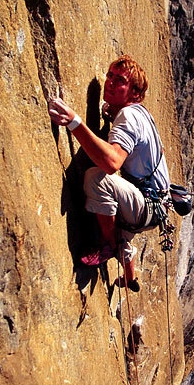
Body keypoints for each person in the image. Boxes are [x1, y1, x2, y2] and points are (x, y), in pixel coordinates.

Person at [48, 55, 171, 292]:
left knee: (97, 179)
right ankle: (130, 276)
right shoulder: (139, 113)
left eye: (121, 80)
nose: (111, 82)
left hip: (147, 206)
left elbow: (112, 162)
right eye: (110, 76)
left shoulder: (129, 116)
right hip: (155, 205)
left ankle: (108, 245)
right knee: (118, 220)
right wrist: (112, 112)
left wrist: (74, 123)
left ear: (135, 93)